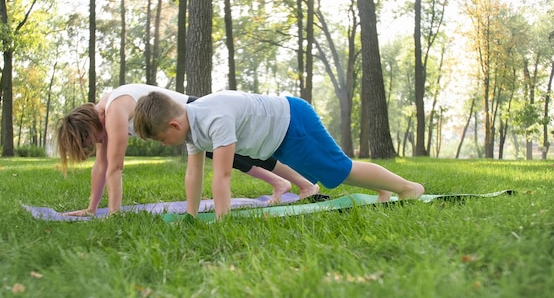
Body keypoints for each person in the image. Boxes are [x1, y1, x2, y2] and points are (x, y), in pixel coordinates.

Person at [133, 90, 425, 219]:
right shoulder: (192, 127)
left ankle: (409, 188)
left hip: (293, 123)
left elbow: (222, 175)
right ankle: (384, 190)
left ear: (174, 124)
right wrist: (192, 215)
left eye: (161, 138)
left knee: (339, 170)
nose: (163, 144)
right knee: (330, 173)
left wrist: (222, 221)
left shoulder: (213, 118)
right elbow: (194, 173)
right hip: (279, 138)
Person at [56, 84, 319, 216]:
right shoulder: (103, 112)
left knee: (247, 153)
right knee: (243, 157)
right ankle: (282, 184)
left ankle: (302, 184)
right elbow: (101, 166)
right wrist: (91, 208)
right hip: (181, 120)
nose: (99, 143)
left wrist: (113, 214)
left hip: (190, 115)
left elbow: (114, 168)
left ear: (93, 121)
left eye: (93, 138)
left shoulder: (112, 112)